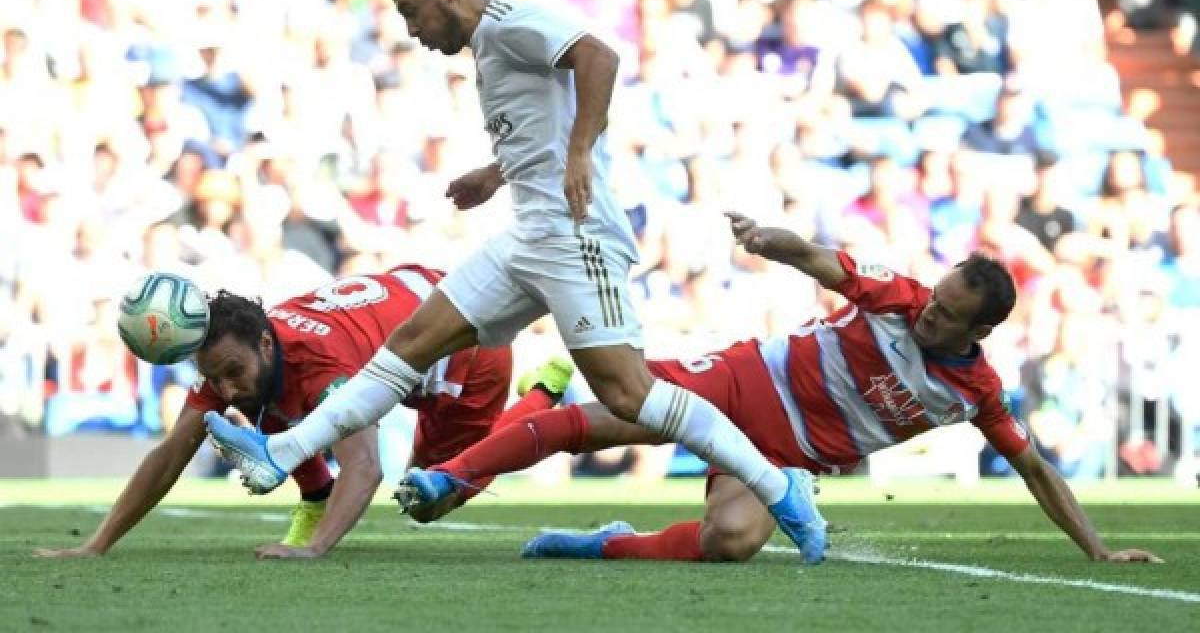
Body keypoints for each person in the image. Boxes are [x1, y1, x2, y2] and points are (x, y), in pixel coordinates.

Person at [204, 0, 825, 560]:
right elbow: (540, 125)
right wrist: (496, 172)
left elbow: (600, 56)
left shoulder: (508, 24)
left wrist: (581, 151)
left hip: (576, 234)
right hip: (529, 235)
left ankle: (779, 486)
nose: (412, 29)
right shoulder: (490, 46)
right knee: (412, 343)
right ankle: (281, 451)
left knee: (628, 394)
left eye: (411, 10)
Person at [396, 213, 1163, 566]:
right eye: (935, 298)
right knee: (605, 418)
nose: (929, 312)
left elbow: (1036, 468)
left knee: (731, 543)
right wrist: (770, 239)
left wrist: (1095, 548)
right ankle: (450, 477)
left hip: (780, 458)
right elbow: (821, 260)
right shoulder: (897, 294)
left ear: (980, 333)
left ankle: (603, 544)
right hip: (742, 381)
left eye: (948, 315)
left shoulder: (978, 392)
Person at [33, 265, 572, 560]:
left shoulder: (321, 367)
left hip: (465, 348)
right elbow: (169, 455)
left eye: (230, 370)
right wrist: (95, 545)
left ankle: (542, 395)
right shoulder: (242, 353)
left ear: (267, 344)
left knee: (429, 497)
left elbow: (364, 467)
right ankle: (313, 495)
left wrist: (315, 550)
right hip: (407, 304)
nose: (223, 386)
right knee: (259, 400)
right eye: (213, 375)